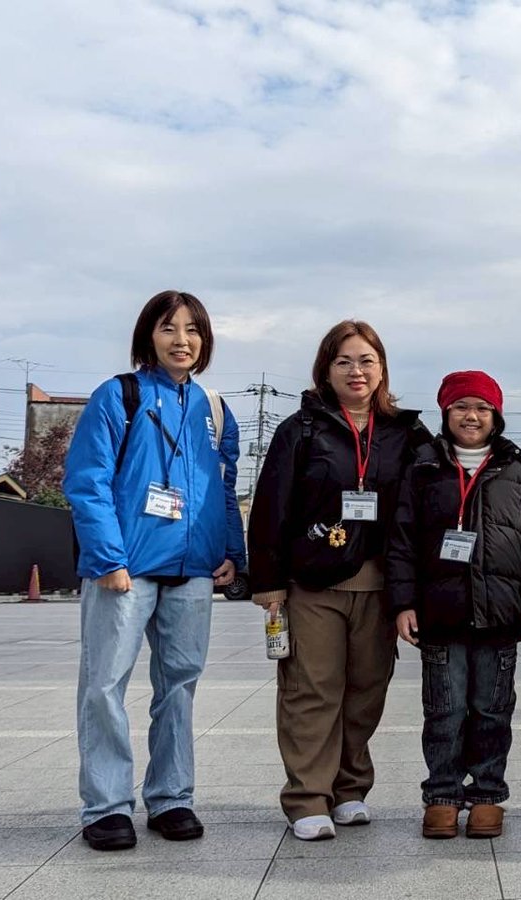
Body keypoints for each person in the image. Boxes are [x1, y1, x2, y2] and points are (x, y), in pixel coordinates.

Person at [64, 290, 245, 851]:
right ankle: (107, 806)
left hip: (193, 568)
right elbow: (88, 480)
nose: (182, 340)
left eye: (193, 330)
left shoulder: (215, 409)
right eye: (169, 328)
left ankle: (171, 797)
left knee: (179, 687)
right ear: (149, 336)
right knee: (104, 685)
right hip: (127, 567)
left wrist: (231, 553)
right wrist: (107, 558)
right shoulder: (119, 395)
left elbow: (223, 488)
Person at [247, 320, 430, 842]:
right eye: (344, 361)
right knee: (311, 689)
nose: (356, 371)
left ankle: (350, 789)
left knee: (366, 691)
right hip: (313, 584)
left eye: (367, 360)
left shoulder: (405, 433)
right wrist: (268, 581)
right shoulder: (301, 429)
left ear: (382, 369)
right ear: (325, 369)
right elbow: (271, 506)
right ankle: (308, 796)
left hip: (380, 585)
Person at [388, 370, 521, 840]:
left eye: (483, 408)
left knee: (492, 711)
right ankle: (442, 795)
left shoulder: (516, 471)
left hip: (500, 616)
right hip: (439, 615)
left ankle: (487, 795)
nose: (472, 416)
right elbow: (401, 541)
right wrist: (403, 602)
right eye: (461, 407)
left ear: (496, 416)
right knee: (443, 711)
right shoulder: (422, 468)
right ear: (445, 413)